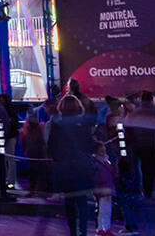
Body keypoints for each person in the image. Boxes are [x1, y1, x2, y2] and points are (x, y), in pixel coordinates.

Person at [49, 94, 97, 236]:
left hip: (65, 167)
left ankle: (72, 231)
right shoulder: (82, 123)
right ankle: (83, 230)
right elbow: (89, 144)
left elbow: (51, 145)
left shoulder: (57, 124)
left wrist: (58, 158)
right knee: (82, 200)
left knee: (69, 202)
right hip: (81, 165)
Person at [93, 141, 117, 236]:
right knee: (101, 211)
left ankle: (106, 228)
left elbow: (113, 174)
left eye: (104, 150)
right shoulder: (96, 163)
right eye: (101, 150)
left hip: (108, 189)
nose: (103, 152)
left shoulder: (107, 162)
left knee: (107, 210)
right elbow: (94, 178)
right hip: (101, 190)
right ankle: (100, 229)